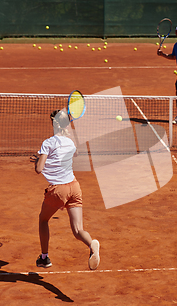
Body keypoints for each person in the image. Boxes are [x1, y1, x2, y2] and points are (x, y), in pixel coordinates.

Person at [30, 109, 100, 270]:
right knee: (78, 230)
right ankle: (91, 245)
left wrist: (38, 161)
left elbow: (39, 169)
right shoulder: (70, 142)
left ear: (54, 124)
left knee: (43, 220)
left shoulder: (48, 143)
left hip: (58, 190)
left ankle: (44, 258)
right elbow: (69, 156)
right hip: (74, 187)